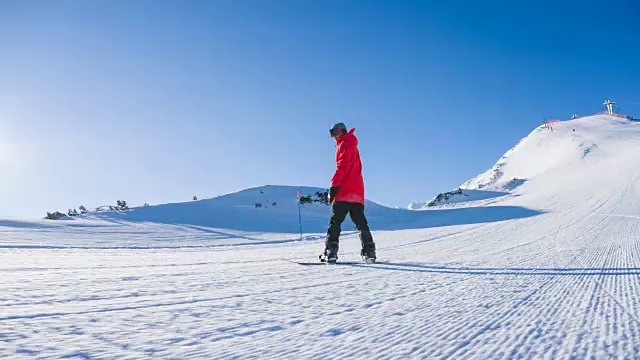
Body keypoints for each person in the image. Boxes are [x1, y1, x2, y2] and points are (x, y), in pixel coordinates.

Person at [320, 122, 377, 263]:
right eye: (330, 133)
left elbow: (342, 167)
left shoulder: (344, 144)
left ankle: (330, 252)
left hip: (344, 192)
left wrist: (333, 186)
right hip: (357, 193)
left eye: (333, 132)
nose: (332, 136)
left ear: (340, 131)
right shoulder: (352, 145)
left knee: (335, 222)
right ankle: (369, 252)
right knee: (361, 223)